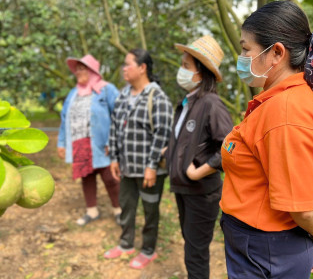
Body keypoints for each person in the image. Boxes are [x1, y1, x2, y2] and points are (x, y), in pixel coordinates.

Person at [219, 1, 313, 279]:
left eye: (246, 49)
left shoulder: (287, 112)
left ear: (276, 53)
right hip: (258, 245)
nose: (241, 55)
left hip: (267, 249)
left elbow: (303, 206)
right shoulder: (276, 102)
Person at [164, 35, 233, 279]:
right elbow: (190, 142)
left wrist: (198, 171)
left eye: (185, 66)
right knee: (191, 245)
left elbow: (230, 146)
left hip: (201, 192)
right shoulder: (188, 102)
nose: (180, 71)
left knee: (195, 252)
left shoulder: (211, 104)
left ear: (201, 73)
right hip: (184, 189)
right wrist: (170, 153)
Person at [104, 49, 173, 269]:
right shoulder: (123, 95)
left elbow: (163, 134)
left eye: (128, 64)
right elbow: (115, 127)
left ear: (142, 68)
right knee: (126, 206)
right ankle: (126, 244)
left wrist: (151, 166)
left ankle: (148, 249)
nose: (124, 68)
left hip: (149, 170)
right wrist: (114, 158)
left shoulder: (157, 97)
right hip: (127, 167)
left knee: (150, 210)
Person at [57, 54, 121, 226]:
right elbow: (65, 119)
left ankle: (119, 210)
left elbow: (120, 115)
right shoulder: (73, 93)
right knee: (86, 176)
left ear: (92, 70)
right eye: (77, 69)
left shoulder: (107, 89)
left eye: (82, 68)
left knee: (110, 177)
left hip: (102, 143)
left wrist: (113, 141)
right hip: (80, 142)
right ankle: (92, 212)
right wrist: (62, 143)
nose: (78, 72)